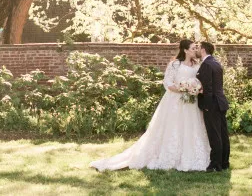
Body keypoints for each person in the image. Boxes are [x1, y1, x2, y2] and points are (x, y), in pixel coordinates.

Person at [89, 40, 210, 172]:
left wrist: (194, 88)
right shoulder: (175, 64)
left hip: (190, 102)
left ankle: (191, 156)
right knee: (174, 127)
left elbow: (199, 81)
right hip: (175, 101)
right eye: (193, 48)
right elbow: (167, 82)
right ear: (185, 50)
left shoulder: (197, 65)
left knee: (191, 127)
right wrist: (182, 89)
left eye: (196, 48)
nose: (195, 50)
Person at [196, 41, 230, 172]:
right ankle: (224, 162)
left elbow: (208, 89)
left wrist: (206, 105)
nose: (197, 50)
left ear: (203, 49)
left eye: (198, 48)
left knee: (214, 134)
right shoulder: (215, 63)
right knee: (222, 134)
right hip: (221, 102)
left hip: (212, 104)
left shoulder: (206, 64)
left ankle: (215, 164)